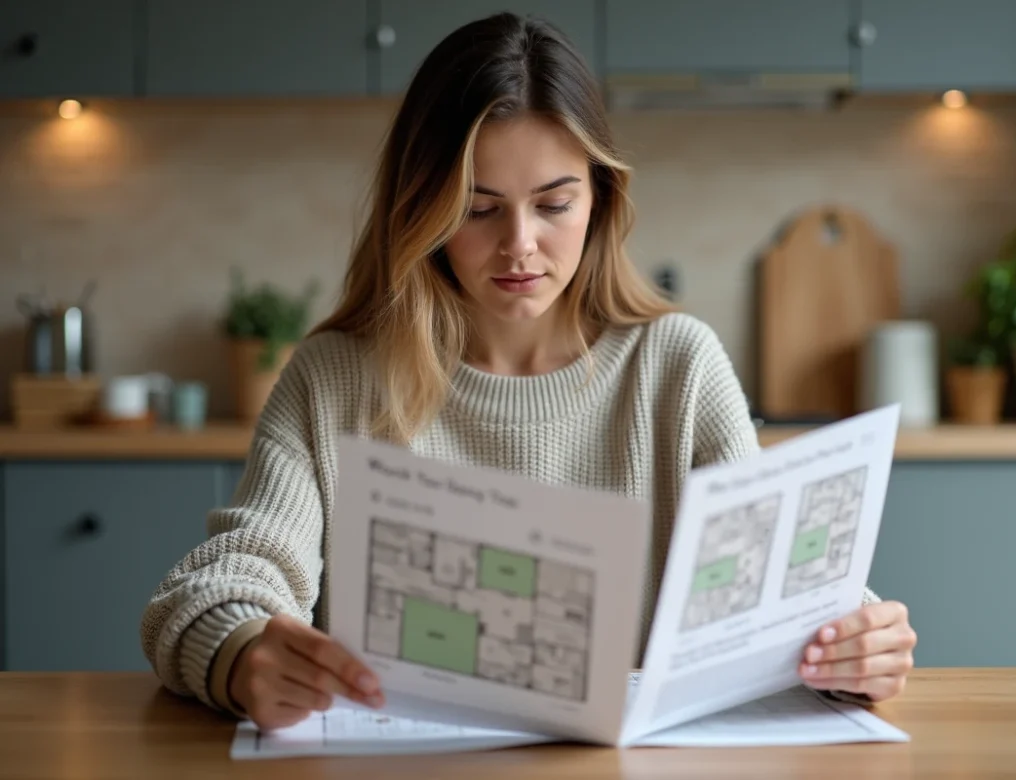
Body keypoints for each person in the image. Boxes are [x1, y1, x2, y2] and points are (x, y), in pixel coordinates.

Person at [140, 12, 916, 730]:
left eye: (554, 204)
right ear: (422, 211)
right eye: (478, 209)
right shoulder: (334, 379)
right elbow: (220, 583)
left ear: (601, 201)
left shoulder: (677, 367)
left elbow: (777, 600)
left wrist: (849, 644)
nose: (519, 245)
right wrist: (242, 654)